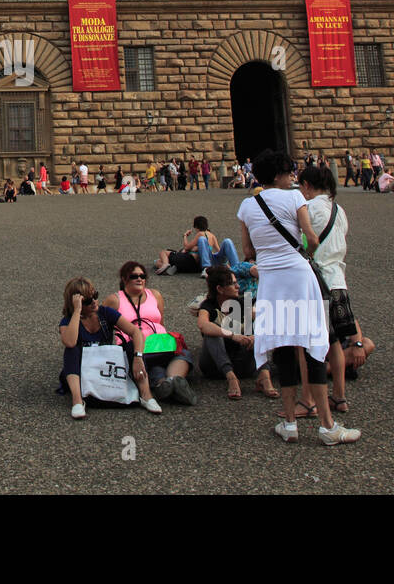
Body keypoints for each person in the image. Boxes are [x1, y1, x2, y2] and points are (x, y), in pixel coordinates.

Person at [237, 149, 359, 445]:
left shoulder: (246, 205)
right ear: (280, 174)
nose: (293, 177)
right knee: (312, 342)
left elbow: (248, 252)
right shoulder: (294, 198)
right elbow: (312, 238)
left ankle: (289, 423)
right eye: (290, 172)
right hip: (299, 277)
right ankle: (328, 427)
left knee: (282, 345)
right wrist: (304, 255)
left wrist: (268, 254)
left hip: (271, 281)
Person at [58, 276, 163, 419]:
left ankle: (146, 395)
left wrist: (138, 357)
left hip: (105, 367)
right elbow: (69, 342)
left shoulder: (105, 312)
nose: (94, 302)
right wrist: (77, 312)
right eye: (88, 301)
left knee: (132, 345)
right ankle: (77, 401)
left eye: (95, 295)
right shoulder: (68, 320)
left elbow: (135, 332)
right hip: (83, 370)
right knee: (71, 350)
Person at [298, 165, 356, 414]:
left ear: (308, 186)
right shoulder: (339, 210)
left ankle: (308, 401)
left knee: (311, 345)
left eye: (301, 186)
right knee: (334, 343)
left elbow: (302, 241)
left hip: (316, 283)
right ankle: (340, 398)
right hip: (338, 282)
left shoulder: (309, 208)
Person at [103, 262, 197, 405]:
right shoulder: (114, 300)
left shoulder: (155, 295)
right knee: (153, 365)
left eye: (142, 276)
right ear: (124, 279)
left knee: (183, 353)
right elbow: (103, 327)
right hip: (135, 348)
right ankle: (166, 385)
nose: (139, 279)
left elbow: (161, 323)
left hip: (159, 343)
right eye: (134, 276)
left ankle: (171, 382)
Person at [191, 265, 277, 400]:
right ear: (220, 289)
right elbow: (203, 325)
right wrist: (232, 335)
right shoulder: (208, 305)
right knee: (211, 332)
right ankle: (231, 378)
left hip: (244, 365)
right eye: (233, 284)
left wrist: (257, 336)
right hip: (215, 368)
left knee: (256, 328)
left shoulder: (243, 303)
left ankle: (265, 377)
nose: (238, 286)